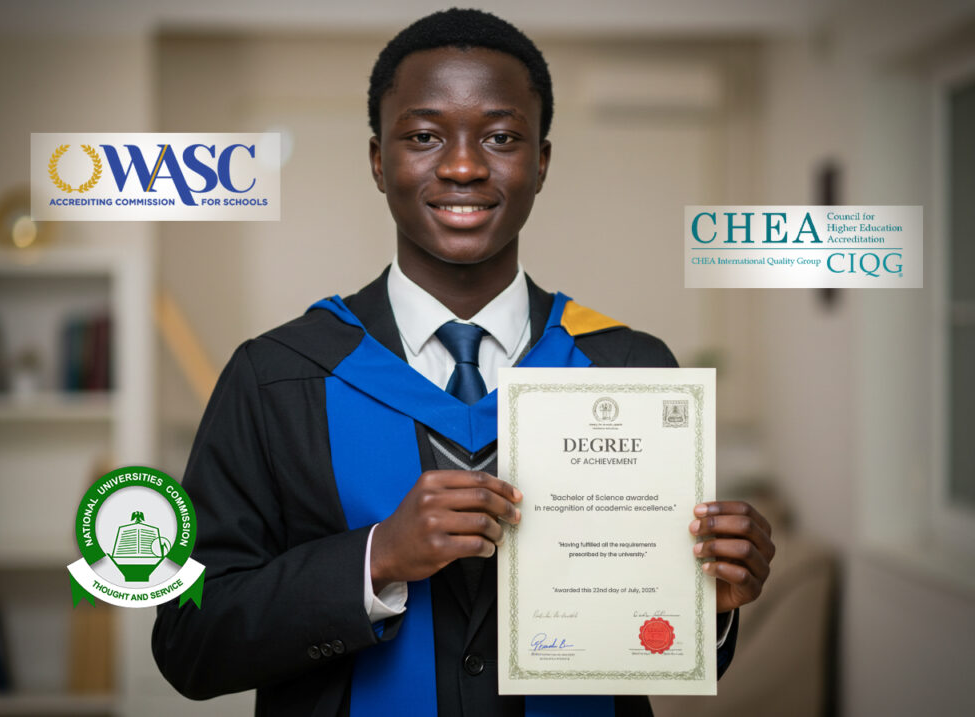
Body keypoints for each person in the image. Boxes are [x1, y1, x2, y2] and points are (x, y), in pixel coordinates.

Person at [152, 9, 775, 717]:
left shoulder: (630, 370)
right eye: (423, 136)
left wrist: (711, 603)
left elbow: (662, 639)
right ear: (377, 159)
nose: (463, 165)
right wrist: (377, 557)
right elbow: (187, 638)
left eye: (502, 137)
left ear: (541, 161)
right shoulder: (275, 377)